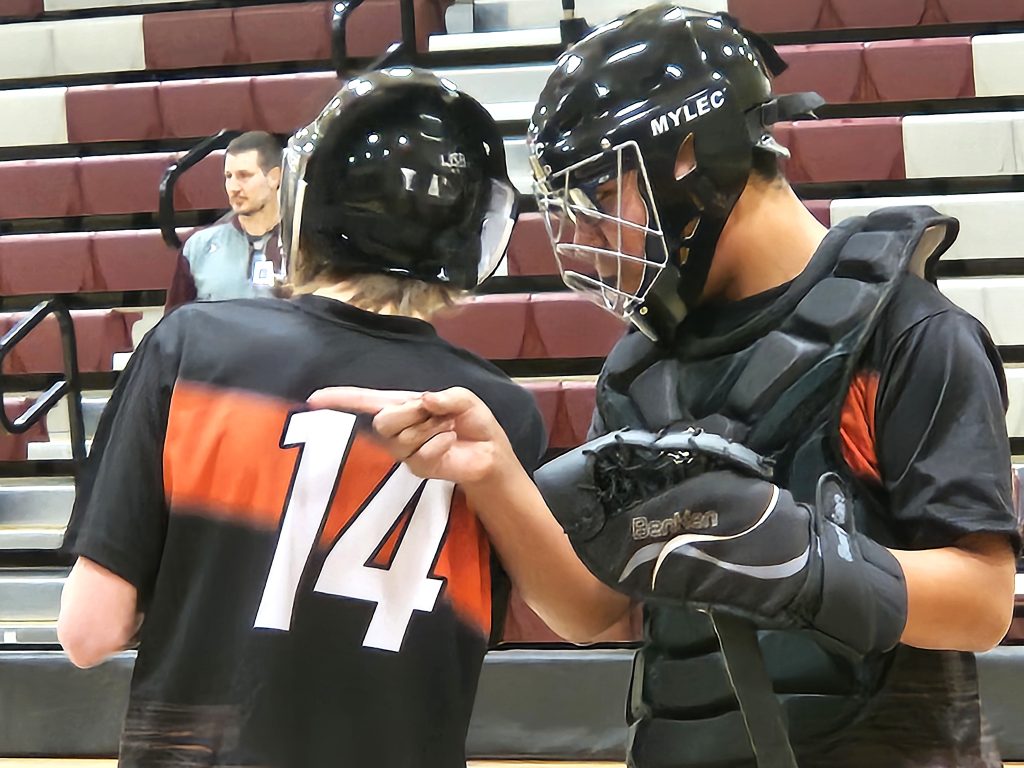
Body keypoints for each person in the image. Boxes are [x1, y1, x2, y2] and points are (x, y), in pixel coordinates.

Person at [313, 6, 1019, 767]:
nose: (592, 235)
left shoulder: (909, 331)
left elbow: (981, 604)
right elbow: (592, 609)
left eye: (602, 194)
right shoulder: (640, 368)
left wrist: (797, 558)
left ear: (692, 158)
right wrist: (491, 472)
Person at [57, 68, 625, 768]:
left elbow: (89, 632)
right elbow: (570, 615)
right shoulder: (498, 414)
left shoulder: (190, 348)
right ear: (477, 233)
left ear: (305, 199)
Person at [165, 131, 286, 310]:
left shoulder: (306, 246)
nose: (234, 187)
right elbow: (174, 326)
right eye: (229, 176)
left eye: (244, 175)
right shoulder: (198, 247)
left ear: (274, 177)